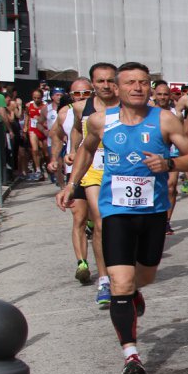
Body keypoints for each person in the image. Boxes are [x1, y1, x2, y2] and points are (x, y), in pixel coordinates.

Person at [55, 62, 188, 374]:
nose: (137, 87)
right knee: (120, 283)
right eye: (130, 82)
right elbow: (85, 151)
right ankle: (131, 355)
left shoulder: (164, 119)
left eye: (143, 82)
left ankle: (134, 292)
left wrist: (169, 163)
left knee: (144, 276)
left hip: (153, 212)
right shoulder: (100, 120)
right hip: (116, 211)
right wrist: (71, 185)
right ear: (117, 89)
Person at [67, 62, 120, 307]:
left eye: (110, 80)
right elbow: (78, 133)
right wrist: (72, 152)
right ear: (92, 84)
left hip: (122, 171)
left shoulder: (127, 105)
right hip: (94, 171)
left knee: (124, 224)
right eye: (100, 81)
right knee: (100, 221)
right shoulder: (81, 107)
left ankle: (123, 267)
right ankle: (105, 280)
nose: (106, 85)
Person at [52, 78, 95, 284]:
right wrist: (58, 157)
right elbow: (56, 135)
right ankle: (82, 264)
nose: (81, 97)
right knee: (78, 217)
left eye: (86, 93)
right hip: (76, 172)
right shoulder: (65, 113)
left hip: (100, 171)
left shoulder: (102, 110)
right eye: (77, 94)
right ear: (70, 95)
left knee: (100, 221)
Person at [150, 80, 183, 234]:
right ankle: (153, 217)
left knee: (171, 187)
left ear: (170, 96)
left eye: (165, 94)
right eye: (159, 94)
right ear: (154, 95)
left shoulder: (176, 114)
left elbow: (182, 134)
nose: (162, 97)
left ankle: (166, 221)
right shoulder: (148, 112)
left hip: (172, 152)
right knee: (153, 187)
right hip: (154, 152)